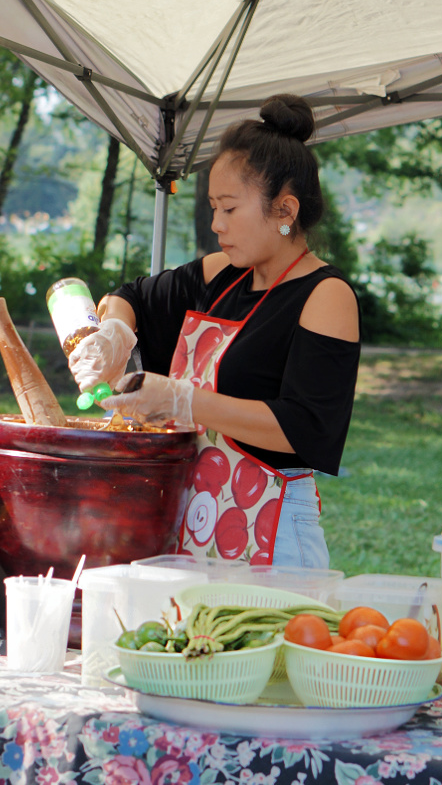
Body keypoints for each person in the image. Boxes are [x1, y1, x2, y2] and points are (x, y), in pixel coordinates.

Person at [68, 94, 361, 568]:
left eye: (228, 209)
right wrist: (116, 332)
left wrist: (185, 401)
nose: (215, 225)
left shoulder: (326, 295)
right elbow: (134, 295)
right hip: (195, 520)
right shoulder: (221, 273)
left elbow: (306, 428)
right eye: (211, 208)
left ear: (285, 211)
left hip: (276, 536)